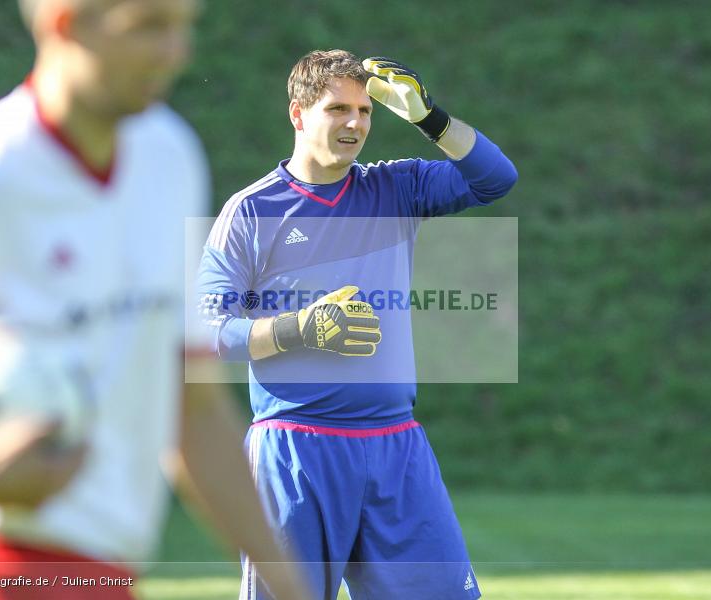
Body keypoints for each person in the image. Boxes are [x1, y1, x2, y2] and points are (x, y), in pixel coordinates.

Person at [0, 1, 311, 599]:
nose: (177, 52)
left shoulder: (169, 158)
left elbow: (193, 409)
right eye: (148, 27)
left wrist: (291, 589)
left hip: (106, 573)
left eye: (182, 26)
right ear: (64, 24)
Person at [196, 49, 518, 599]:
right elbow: (207, 331)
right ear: (298, 114)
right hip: (295, 451)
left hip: (396, 448)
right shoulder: (251, 211)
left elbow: (495, 178)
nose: (355, 123)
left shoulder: (394, 188)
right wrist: (300, 329)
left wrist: (427, 118)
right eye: (337, 109)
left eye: (365, 111)